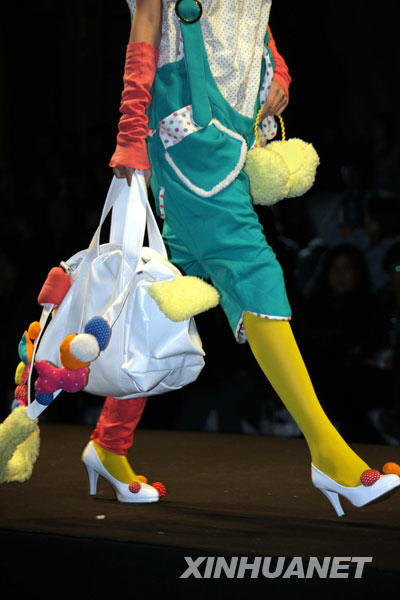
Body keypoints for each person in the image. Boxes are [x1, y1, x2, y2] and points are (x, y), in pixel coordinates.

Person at [81, 0, 400, 514]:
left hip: (226, 125)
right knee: (252, 269)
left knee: (171, 288)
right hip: (189, 129)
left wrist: (278, 68)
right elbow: (148, 18)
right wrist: (129, 129)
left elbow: (247, 16)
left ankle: (109, 443)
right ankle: (329, 454)